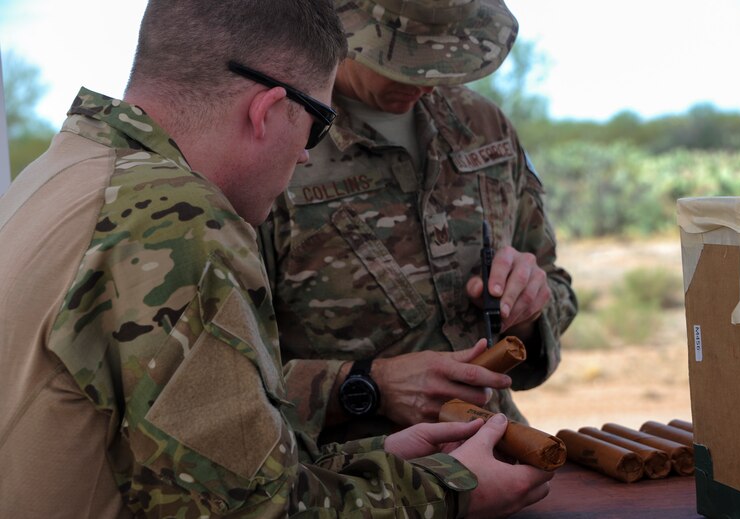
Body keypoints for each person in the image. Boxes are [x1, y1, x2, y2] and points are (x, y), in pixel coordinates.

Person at [0, 0, 554, 517]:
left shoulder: (69, 169)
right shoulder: (175, 218)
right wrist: (448, 488)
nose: (308, 152)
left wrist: (380, 458)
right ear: (267, 109)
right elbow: (255, 509)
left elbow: (204, 471)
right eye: (317, 123)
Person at [259, 0, 578, 445]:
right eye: (407, 59)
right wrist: (368, 386)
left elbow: (554, 283)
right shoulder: (274, 139)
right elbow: (223, 379)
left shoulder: (483, 126)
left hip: (500, 461)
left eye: (442, 56)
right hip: (354, 489)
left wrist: (527, 309)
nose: (426, 80)